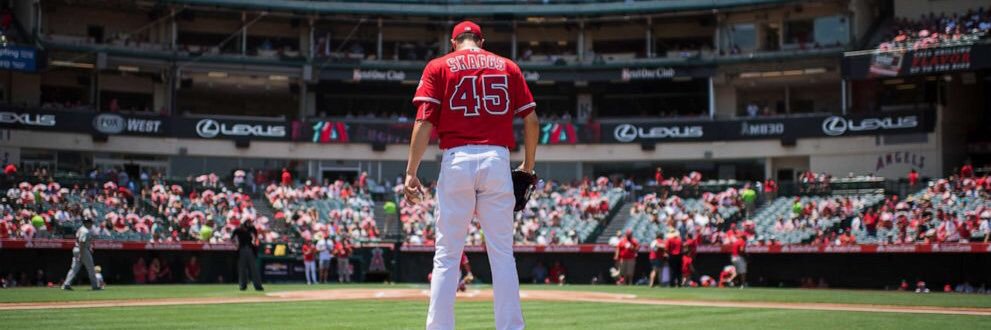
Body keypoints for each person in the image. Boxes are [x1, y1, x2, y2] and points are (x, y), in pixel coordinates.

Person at [404, 20, 537, 330]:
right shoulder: (507, 66)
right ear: (482, 41)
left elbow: (424, 121)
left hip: (457, 158)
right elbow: (531, 120)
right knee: (502, 255)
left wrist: (411, 171)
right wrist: (527, 167)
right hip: (496, 158)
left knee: (447, 255)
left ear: (453, 43)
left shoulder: (438, 66)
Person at [62, 218, 100, 290]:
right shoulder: (85, 231)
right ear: (86, 223)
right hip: (82, 250)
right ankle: (95, 286)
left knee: (74, 269)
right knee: (91, 268)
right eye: (90, 223)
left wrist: (88, 247)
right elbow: (81, 243)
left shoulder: (80, 229)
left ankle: (66, 284)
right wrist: (81, 254)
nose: (91, 224)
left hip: (77, 249)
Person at [232, 219, 263, 291]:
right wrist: (236, 245)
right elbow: (232, 237)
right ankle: (242, 286)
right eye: (247, 222)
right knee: (242, 269)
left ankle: (258, 286)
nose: (248, 223)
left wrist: (255, 241)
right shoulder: (238, 230)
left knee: (254, 268)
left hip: (250, 249)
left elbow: (255, 235)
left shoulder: (251, 229)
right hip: (241, 249)